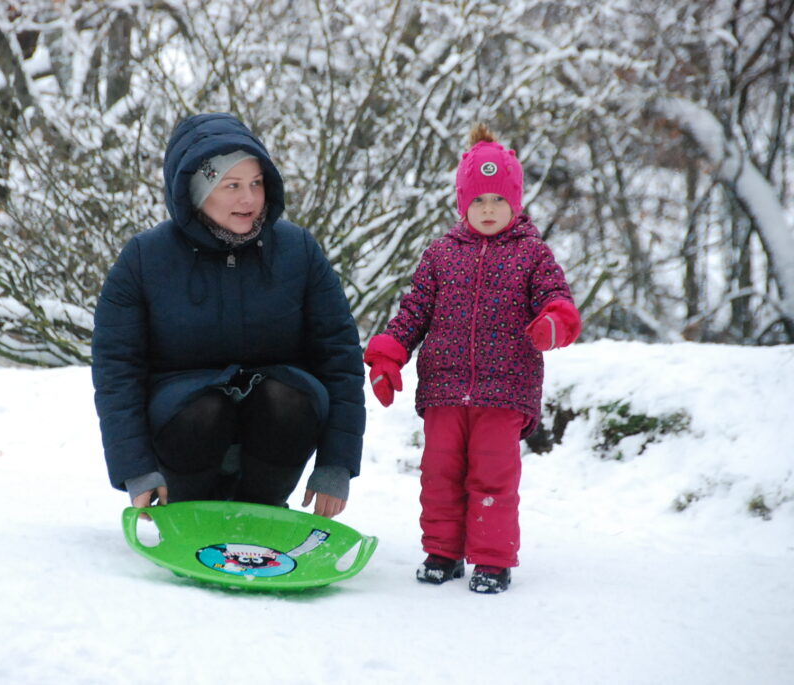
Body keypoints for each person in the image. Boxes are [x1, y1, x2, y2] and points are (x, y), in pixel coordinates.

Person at [91, 112, 365, 519]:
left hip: (276, 425)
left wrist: (336, 464)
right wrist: (137, 470)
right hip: (184, 425)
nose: (249, 199)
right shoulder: (145, 259)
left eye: (256, 183)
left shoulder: (298, 250)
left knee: (289, 397)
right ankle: (189, 511)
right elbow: (117, 370)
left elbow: (339, 357)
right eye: (232, 185)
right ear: (197, 191)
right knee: (203, 409)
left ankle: (263, 511)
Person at [364, 123, 581, 593]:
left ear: (515, 202)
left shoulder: (532, 254)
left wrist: (554, 321)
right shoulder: (440, 255)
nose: (488, 209)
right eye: (478, 200)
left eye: (498, 200)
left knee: (493, 477)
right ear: (463, 203)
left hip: (505, 390)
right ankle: (442, 552)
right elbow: (414, 311)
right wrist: (390, 355)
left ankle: (492, 560)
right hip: (444, 387)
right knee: (439, 474)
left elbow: (555, 298)